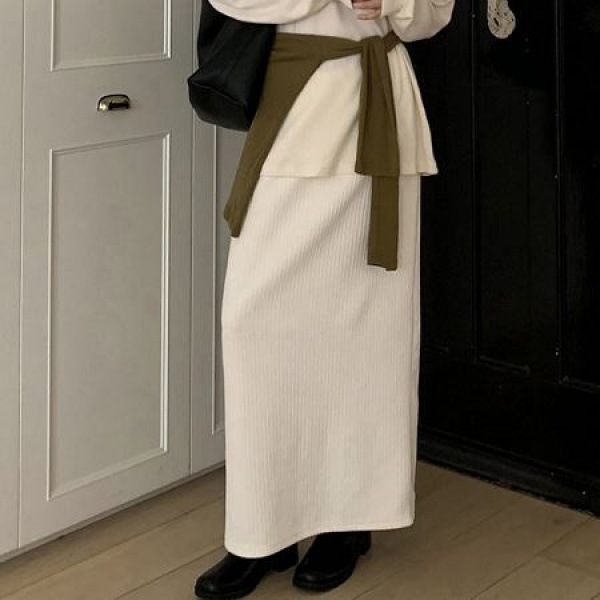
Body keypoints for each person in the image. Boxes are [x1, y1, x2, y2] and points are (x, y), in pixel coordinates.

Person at [194, 0, 456, 597]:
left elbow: (433, 14)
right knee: (252, 322)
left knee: (367, 333)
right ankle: (262, 529)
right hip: (295, 112)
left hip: (378, 112)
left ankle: (348, 521)